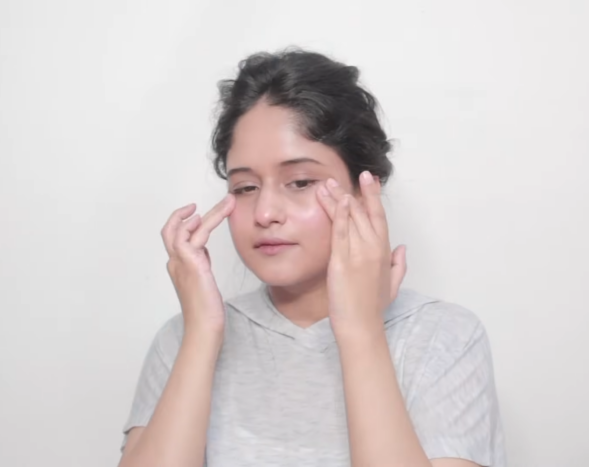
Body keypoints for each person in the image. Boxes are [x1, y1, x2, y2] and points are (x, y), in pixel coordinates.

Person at [118, 49, 506, 467]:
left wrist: (360, 331)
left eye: (300, 181)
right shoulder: (183, 339)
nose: (265, 213)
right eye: (245, 187)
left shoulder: (441, 338)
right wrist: (201, 335)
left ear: (364, 189)